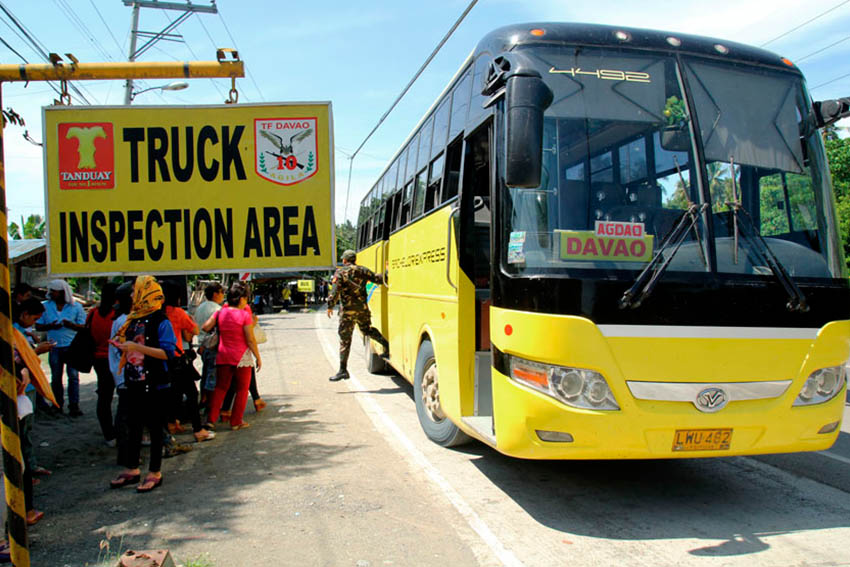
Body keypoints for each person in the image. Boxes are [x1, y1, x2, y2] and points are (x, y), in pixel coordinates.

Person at [108, 276, 176, 493]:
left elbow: (168, 353)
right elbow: (131, 349)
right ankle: (132, 468)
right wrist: (121, 346)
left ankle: (154, 472)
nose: (130, 295)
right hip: (134, 382)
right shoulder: (133, 320)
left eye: (135, 291)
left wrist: (136, 348)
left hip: (155, 384)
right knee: (134, 428)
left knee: (155, 429)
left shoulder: (161, 321)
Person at [202, 282, 261, 430]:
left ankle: (211, 420)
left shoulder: (221, 312)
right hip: (242, 357)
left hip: (223, 355)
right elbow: (250, 339)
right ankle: (236, 421)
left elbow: (205, 327)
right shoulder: (244, 315)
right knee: (242, 389)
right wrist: (258, 357)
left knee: (220, 388)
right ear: (242, 298)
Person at [162, 281, 214, 443]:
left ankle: (171, 423)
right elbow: (195, 330)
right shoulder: (177, 313)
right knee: (191, 394)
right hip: (176, 356)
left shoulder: (156, 313)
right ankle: (198, 430)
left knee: (171, 393)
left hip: (159, 359)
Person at [326, 249, 389, 381]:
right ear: (354, 259)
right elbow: (378, 279)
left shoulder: (340, 272)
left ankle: (343, 370)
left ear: (344, 260)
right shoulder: (363, 270)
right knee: (367, 330)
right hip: (362, 309)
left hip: (347, 312)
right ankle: (386, 345)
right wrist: (387, 271)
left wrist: (330, 306)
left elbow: (335, 292)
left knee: (345, 339)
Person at [35, 279, 87, 416]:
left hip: (72, 346)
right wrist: (51, 326)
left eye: (54, 291)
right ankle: (57, 404)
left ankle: (74, 406)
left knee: (73, 377)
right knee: (56, 378)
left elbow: (84, 326)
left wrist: (72, 325)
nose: (51, 293)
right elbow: (38, 326)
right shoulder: (45, 306)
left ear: (62, 292)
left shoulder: (76, 307)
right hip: (54, 346)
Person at [90, 283, 118, 446]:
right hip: (116, 358)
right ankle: (121, 430)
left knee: (104, 397)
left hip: (99, 359)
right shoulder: (118, 316)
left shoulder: (94, 314)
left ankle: (108, 434)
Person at [194, 282, 224, 397]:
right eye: (222, 292)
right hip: (212, 347)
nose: (223, 295)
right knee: (212, 377)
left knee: (206, 374)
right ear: (215, 294)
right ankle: (210, 404)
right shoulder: (217, 309)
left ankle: (203, 398)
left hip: (202, 346)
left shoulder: (200, 308)